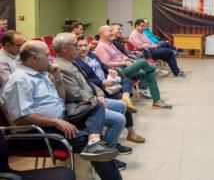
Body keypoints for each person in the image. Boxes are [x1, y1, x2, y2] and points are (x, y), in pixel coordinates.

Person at [0, 40, 122, 180]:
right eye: (47, 55)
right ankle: (94, 144)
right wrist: (55, 121)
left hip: (60, 120)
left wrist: (58, 78)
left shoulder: (41, 74)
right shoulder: (19, 80)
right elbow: (20, 118)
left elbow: (62, 99)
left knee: (96, 105)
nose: (51, 58)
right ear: (33, 58)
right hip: (38, 132)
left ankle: (93, 140)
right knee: (100, 152)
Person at [52, 33, 130, 170]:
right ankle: (107, 159)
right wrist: (96, 100)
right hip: (80, 106)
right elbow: (75, 94)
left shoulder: (73, 61)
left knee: (121, 106)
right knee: (119, 120)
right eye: (75, 45)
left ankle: (110, 144)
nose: (79, 48)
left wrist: (99, 94)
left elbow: (88, 83)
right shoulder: (61, 67)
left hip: (91, 100)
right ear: (64, 48)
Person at [75, 39, 146, 144]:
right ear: (75, 47)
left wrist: (109, 70)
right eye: (79, 46)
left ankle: (126, 98)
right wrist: (102, 81)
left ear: (89, 46)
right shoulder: (76, 62)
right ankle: (131, 132)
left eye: (85, 45)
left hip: (108, 79)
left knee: (127, 81)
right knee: (120, 102)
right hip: (98, 87)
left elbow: (103, 65)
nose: (83, 48)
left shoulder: (92, 55)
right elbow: (86, 81)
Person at [95, 25, 172, 109]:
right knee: (142, 62)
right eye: (109, 31)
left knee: (150, 75)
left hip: (126, 68)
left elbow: (121, 54)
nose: (111, 33)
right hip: (118, 72)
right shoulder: (100, 46)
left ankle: (157, 101)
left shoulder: (110, 43)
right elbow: (106, 63)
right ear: (102, 34)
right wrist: (123, 62)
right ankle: (156, 70)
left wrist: (129, 60)